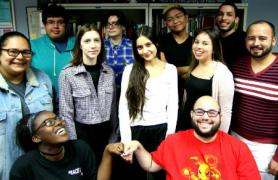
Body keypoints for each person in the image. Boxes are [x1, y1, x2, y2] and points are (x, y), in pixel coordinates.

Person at [122, 96, 261, 180]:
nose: (205, 117)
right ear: (192, 115)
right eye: (200, 112)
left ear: (220, 117)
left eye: (212, 113)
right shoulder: (173, 141)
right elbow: (151, 165)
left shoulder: (238, 148)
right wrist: (138, 146)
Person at [119, 25, 178, 179]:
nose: (145, 50)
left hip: (161, 129)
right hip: (136, 130)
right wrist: (126, 140)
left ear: (156, 44)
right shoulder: (130, 70)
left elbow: (173, 105)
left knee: (162, 175)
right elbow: (123, 107)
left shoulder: (170, 70)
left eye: (148, 45)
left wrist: (169, 137)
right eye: (139, 47)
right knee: (135, 175)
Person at [59, 24, 117, 167]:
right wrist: (73, 143)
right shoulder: (68, 73)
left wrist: (114, 137)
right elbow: (65, 112)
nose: (93, 45)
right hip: (82, 135)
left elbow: (114, 108)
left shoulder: (109, 72)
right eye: (87, 41)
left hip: (106, 134)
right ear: (80, 45)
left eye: (96, 40)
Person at [0, 31, 53, 180]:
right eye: (13, 51)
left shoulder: (43, 79)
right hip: (6, 169)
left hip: (42, 168)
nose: (20, 57)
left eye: (26, 52)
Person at [231, 20, 278, 179]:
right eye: (251, 38)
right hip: (235, 139)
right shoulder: (238, 66)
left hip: (266, 148)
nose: (256, 43)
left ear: (273, 40)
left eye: (262, 38)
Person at [9, 110, 97, 180]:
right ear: (36, 138)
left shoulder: (81, 149)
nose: (59, 122)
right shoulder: (23, 167)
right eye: (49, 122)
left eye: (58, 118)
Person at [179, 27, 234, 132]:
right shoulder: (193, 66)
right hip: (186, 122)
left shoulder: (222, 72)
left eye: (205, 43)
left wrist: (220, 137)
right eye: (196, 42)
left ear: (214, 48)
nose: (198, 46)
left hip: (205, 127)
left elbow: (226, 111)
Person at [31, 4, 75, 108]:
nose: (55, 26)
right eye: (50, 22)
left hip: (75, 105)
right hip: (43, 105)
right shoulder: (33, 46)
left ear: (66, 24)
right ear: (44, 24)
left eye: (60, 22)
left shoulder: (79, 44)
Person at [158, 4, 193, 106]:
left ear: (186, 18)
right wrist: (189, 68)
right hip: (167, 91)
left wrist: (175, 70)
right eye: (170, 19)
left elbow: (200, 69)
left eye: (178, 16)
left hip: (190, 90)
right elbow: (164, 70)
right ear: (166, 23)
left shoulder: (196, 41)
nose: (175, 21)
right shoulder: (162, 40)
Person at [103, 10, 134, 98]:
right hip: (106, 97)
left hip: (129, 95)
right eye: (108, 24)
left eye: (115, 23)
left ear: (123, 27)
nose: (110, 27)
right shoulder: (100, 47)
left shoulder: (133, 46)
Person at [216, 2, 249, 68]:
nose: (223, 18)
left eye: (229, 14)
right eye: (220, 14)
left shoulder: (246, 40)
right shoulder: (212, 39)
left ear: (236, 20)